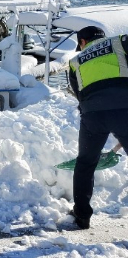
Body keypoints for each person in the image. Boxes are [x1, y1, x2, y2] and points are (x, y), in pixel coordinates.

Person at [68, 26, 128, 229]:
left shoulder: (75, 61)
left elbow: (79, 93)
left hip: (92, 115)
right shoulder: (120, 41)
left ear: (82, 42)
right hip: (124, 108)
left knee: (85, 163)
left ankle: (82, 215)